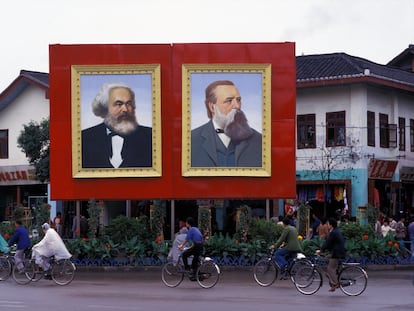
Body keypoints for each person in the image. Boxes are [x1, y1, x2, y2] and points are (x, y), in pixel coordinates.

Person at [191, 80, 262, 167]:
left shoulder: (259, 140)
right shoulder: (191, 140)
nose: (237, 106)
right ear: (212, 107)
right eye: (229, 100)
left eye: (238, 100)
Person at [81, 82, 152, 168]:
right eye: (118, 104)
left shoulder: (150, 136)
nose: (125, 109)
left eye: (128, 103)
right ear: (104, 107)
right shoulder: (84, 138)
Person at [316, 217, 346, 292]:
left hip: (337, 253)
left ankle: (336, 283)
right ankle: (333, 278)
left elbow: (328, 243)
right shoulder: (335, 231)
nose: (327, 225)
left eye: (328, 224)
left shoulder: (333, 232)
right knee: (326, 258)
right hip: (337, 252)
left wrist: (321, 250)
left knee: (330, 268)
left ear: (331, 225)